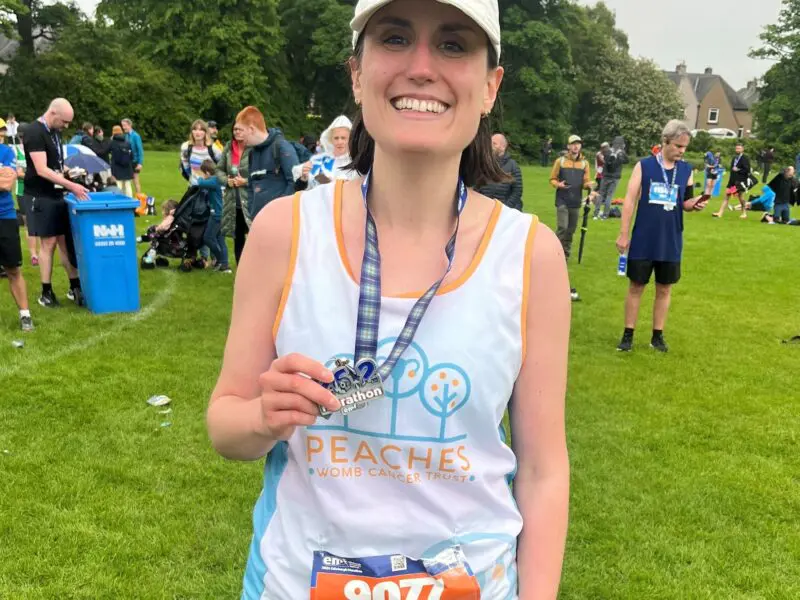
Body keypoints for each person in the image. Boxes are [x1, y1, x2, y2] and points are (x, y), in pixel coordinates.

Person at [207, 1, 570, 598]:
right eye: (396, 38)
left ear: (489, 86)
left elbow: (543, 470)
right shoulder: (284, 232)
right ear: (357, 72)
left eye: (453, 45)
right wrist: (262, 417)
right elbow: (226, 423)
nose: (421, 67)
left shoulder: (530, 255)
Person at [615, 120, 708, 353]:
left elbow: (684, 202)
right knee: (636, 286)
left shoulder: (686, 170)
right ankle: (628, 334)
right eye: (678, 146)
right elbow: (629, 200)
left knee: (664, 288)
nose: (682, 151)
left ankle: (657, 336)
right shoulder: (644, 166)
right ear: (665, 141)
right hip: (645, 238)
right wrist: (623, 233)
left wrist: (694, 204)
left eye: (685, 147)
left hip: (671, 239)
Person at [24, 98, 89, 308]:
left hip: (57, 193)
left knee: (64, 240)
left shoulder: (55, 132)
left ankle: (75, 285)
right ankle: (46, 291)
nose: (66, 126)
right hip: (40, 194)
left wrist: (69, 174)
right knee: (49, 242)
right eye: (64, 121)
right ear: (53, 113)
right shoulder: (34, 132)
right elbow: (42, 169)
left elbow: (55, 165)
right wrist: (72, 186)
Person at [549, 133, 596, 301]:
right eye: (572, 144)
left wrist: (589, 186)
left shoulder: (585, 163)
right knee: (562, 227)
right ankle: (553, 252)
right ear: (568, 146)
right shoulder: (560, 161)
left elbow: (585, 182)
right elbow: (552, 179)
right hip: (562, 199)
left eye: (578, 144)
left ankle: (564, 256)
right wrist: (558, 185)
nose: (575, 146)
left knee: (570, 230)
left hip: (576, 201)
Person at [235, 106, 298, 220]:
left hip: (281, 220)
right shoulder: (251, 154)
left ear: (251, 129)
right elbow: (251, 185)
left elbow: (295, 183)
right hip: (258, 221)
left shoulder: (282, 147)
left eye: (241, 130)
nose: (238, 135)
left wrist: (279, 210)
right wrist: (252, 210)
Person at [0, 119, 34, 331]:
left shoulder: (6, 153)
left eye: (2, 131)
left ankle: (25, 315)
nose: (1, 135)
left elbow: (5, 185)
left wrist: (4, 178)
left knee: (13, 268)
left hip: (4, 216)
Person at [294, 115, 357, 191]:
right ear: (331, 140)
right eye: (336, 138)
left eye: (343, 138)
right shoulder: (318, 161)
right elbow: (298, 189)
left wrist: (332, 185)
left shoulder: (357, 163)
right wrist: (304, 178)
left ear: (350, 139)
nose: (339, 142)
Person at [217, 123, 251, 265]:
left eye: (240, 129)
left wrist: (245, 181)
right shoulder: (229, 147)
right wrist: (226, 181)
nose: (236, 132)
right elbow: (219, 170)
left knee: (256, 237)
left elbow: (263, 176)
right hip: (233, 202)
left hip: (250, 201)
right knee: (238, 238)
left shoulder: (255, 149)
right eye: (235, 129)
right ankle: (240, 270)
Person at [196, 159, 231, 273]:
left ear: (207, 172)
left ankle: (220, 259)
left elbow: (200, 183)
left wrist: (198, 177)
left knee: (208, 238)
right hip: (225, 213)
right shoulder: (221, 179)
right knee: (220, 240)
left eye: (203, 173)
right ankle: (225, 266)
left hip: (216, 214)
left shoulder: (213, 180)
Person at [14, 123, 40, 265]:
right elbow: (18, 173)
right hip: (22, 191)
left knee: (38, 221)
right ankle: (33, 254)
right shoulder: (16, 151)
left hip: (36, 190)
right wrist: (32, 175)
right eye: (21, 137)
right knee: (29, 223)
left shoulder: (34, 150)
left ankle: (41, 251)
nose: (23, 139)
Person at [478, 132, 522, 210]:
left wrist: (504, 209)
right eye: (490, 143)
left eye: (494, 144)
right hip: (485, 209)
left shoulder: (513, 166)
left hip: (506, 210)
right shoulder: (483, 164)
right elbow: (477, 187)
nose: (490, 146)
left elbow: (517, 191)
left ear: (503, 147)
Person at [713, 142, 751, 219]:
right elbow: (732, 169)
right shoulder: (734, 158)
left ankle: (744, 213)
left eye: (739, 148)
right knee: (727, 195)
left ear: (742, 149)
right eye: (736, 148)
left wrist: (738, 170)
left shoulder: (745, 158)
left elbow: (747, 170)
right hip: (732, 181)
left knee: (740, 197)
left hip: (740, 181)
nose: (737, 149)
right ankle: (720, 213)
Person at [180, 119, 221, 186]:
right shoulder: (185, 147)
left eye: (201, 130)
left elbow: (222, 166)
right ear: (192, 132)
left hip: (212, 187)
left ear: (205, 132)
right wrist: (193, 179)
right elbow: (186, 166)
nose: (197, 132)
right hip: (194, 187)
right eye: (195, 129)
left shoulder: (213, 148)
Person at [595, 138, 627, 220]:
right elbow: (626, 160)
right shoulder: (620, 153)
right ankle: (605, 215)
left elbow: (604, 160)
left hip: (605, 176)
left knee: (601, 194)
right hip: (615, 177)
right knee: (609, 195)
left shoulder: (607, 152)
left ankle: (596, 214)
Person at [109, 125, 134, 197]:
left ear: (113, 133)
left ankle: (118, 201)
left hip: (117, 167)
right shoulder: (127, 142)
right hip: (127, 167)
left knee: (118, 185)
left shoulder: (113, 143)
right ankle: (130, 201)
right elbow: (131, 156)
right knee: (127, 185)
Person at [121, 118, 144, 195]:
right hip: (127, 162)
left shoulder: (136, 136)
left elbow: (140, 150)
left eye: (125, 125)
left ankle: (139, 199)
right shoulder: (125, 136)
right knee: (126, 182)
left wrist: (140, 163)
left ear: (130, 125)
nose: (123, 127)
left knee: (135, 181)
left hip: (135, 162)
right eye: (122, 125)